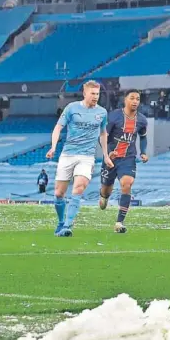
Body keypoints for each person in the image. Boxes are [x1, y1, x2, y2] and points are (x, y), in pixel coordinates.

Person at [46, 80, 112, 237]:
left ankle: (68, 225)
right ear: (85, 93)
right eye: (93, 94)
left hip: (86, 156)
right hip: (68, 154)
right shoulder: (71, 108)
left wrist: (106, 155)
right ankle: (61, 222)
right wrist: (53, 146)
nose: (95, 97)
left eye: (97, 94)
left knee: (79, 187)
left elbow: (103, 133)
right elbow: (58, 127)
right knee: (59, 193)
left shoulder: (102, 112)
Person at [98, 89, 148, 233]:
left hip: (128, 158)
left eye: (137, 99)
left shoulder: (142, 120)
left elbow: (143, 137)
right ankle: (104, 196)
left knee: (127, 184)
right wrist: (107, 154)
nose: (135, 101)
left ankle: (119, 222)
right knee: (106, 190)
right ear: (125, 100)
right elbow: (102, 137)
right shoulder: (113, 116)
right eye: (132, 98)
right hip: (111, 158)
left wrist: (143, 152)